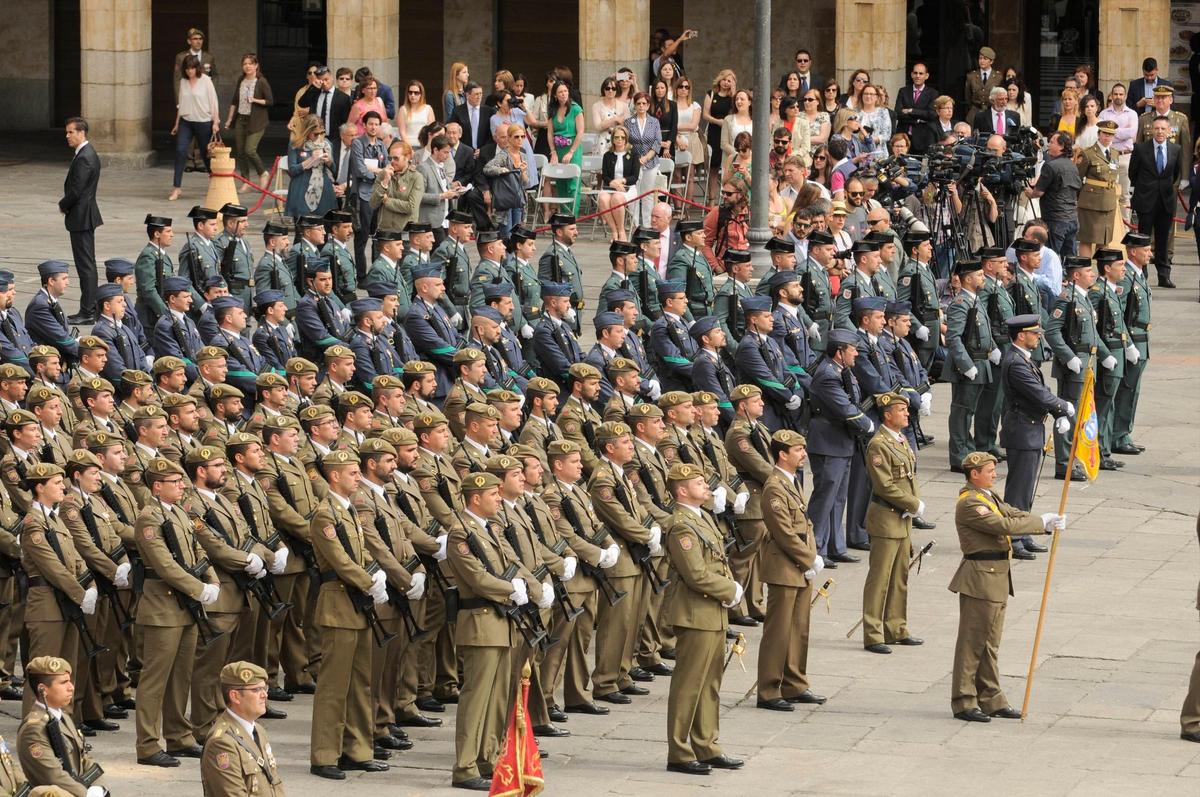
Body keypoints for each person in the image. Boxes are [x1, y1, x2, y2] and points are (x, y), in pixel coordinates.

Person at [949, 451, 1065, 722]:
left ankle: (991, 698)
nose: (994, 474)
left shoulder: (988, 496)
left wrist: (1044, 522)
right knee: (972, 642)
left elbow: (1012, 513)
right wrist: (1040, 523)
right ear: (974, 474)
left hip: (997, 576)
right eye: (989, 471)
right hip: (981, 578)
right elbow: (1002, 524)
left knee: (990, 643)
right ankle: (964, 700)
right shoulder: (970, 503)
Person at [661, 462, 744, 776]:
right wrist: (730, 590)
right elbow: (695, 574)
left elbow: (716, 562)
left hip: (713, 611)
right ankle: (679, 752)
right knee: (688, 685)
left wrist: (728, 589)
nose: (706, 486)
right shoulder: (682, 525)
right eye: (698, 482)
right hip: (696, 612)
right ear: (682, 490)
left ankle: (707, 745)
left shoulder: (703, 517)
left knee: (710, 684)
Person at [755, 428, 825, 711]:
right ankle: (769, 689)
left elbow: (802, 524)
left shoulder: (791, 481)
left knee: (799, 629)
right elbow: (783, 531)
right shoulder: (774, 487)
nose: (803, 454)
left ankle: (794, 682)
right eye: (798, 450)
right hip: (785, 567)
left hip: (798, 565)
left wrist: (810, 556)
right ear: (782, 454)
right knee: (779, 632)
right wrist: (809, 559)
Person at [859, 391, 924, 654]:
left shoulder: (900, 440)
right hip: (886, 517)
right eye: (901, 410)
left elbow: (908, 478)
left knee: (899, 576)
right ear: (887, 414)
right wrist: (913, 504)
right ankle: (874, 633)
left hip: (902, 519)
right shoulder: (879, 444)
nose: (907, 414)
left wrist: (912, 506)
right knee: (880, 579)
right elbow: (884, 485)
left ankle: (896, 627)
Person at [18, 655, 106, 796]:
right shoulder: (34, 729)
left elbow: (85, 759)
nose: (71, 687)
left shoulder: (63, 717)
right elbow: (53, 776)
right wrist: (86, 794)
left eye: (69, 681)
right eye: (63, 682)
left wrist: (98, 787)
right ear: (43, 690)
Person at [200, 661, 284, 796]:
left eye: (264, 688)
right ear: (235, 696)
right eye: (256, 690)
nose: (264, 695)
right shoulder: (222, 743)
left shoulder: (258, 730)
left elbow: (275, 783)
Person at [1129, 116, 1182, 288]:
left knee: (1163, 239)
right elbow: (1132, 173)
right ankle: (1141, 273)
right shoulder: (1141, 148)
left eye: (1163, 129)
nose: (1159, 131)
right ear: (1151, 130)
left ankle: (1164, 275)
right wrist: (1145, 188)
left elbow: (1176, 173)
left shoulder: (1176, 149)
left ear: (1169, 131)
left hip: (1166, 200)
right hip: (1145, 199)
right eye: (1156, 128)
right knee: (1143, 238)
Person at [59, 118, 102, 325]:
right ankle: (89, 308)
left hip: (82, 216)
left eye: (70, 132)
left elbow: (76, 190)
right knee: (87, 264)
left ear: (81, 133)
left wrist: (63, 204)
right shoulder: (85, 154)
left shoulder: (85, 157)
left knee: (85, 265)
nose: (67, 136)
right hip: (83, 215)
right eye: (66, 132)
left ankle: (88, 311)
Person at [1024, 132, 1081, 258]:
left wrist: (1028, 192)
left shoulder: (1050, 166)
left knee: (1051, 256)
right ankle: (1071, 277)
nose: (1048, 145)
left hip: (1055, 219)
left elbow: (1038, 192)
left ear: (1061, 146)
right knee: (1070, 258)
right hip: (1072, 218)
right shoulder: (1072, 166)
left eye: (1052, 142)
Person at [223, 53, 273, 193]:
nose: (248, 66)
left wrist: (255, 100)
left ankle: (263, 173)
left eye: (250, 63)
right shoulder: (241, 79)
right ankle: (246, 181)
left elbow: (270, 101)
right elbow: (234, 101)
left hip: (257, 121)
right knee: (240, 152)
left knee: (250, 150)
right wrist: (229, 119)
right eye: (245, 64)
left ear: (256, 65)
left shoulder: (261, 81)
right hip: (241, 119)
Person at [285, 115, 336, 220]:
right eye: (315, 133)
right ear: (307, 131)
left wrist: (329, 162)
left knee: (324, 226)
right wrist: (310, 160)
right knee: (301, 224)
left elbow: (335, 171)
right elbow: (292, 170)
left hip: (323, 187)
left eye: (321, 133)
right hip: (301, 187)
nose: (318, 136)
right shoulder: (295, 144)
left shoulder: (327, 144)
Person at [370, 140, 425, 234]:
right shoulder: (384, 174)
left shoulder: (416, 177)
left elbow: (411, 207)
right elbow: (373, 204)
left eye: (396, 158)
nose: (392, 161)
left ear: (407, 157)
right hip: (383, 231)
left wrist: (387, 201)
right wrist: (385, 182)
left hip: (404, 234)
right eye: (390, 158)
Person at [548, 81, 585, 216]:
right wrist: (553, 152)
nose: (563, 94)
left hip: (572, 149)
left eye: (565, 91)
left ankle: (572, 218)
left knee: (572, 185)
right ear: (555, 95)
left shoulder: (576, 109)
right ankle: (563, 216)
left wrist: (571, 152)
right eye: (560, 92)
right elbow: (550, 133)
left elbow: (580, 132)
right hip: (558, 149)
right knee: (561, 184)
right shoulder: (553, 109)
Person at [597, 127, 639, 241]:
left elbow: (634, 177)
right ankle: (614, 231)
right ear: (612, 139)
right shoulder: (607, 155)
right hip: (611, 187)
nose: (619, 140)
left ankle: (621, 232)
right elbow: (605, 176)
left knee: (617, 198)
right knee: (602, 198)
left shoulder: (633, 154)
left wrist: (621, 181)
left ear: (626, 139)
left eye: (622, 137)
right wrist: (612, 183)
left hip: (628, 187)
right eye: (616, 137)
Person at [591, 76, 630, 155]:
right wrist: (615, 119)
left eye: (613, 88)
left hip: (619, 141)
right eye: (607, 88)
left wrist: (608, 123)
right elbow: (598, 126)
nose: (610, 91)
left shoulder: (624, 106)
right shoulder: (596, 106)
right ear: (603, 89)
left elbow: (627, 126)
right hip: (602, 142)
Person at [964, 46, 1002, 118]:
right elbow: (967, 97)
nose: (982, 61)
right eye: (980, 58)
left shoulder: (998, 77)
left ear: (991, 61)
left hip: (992, 112)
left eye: (985, 59)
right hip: (975, 113)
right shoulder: (971, 76)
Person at [396, 80, 435, 148]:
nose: (412, 95)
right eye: (410, 92)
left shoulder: (428, 109)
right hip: (408, 146)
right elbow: (402, 132)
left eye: (416, 93)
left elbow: (431, 131)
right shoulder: (403, 109)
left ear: (421, 94)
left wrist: (427, 148)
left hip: (424, 146)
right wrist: (410, 149)